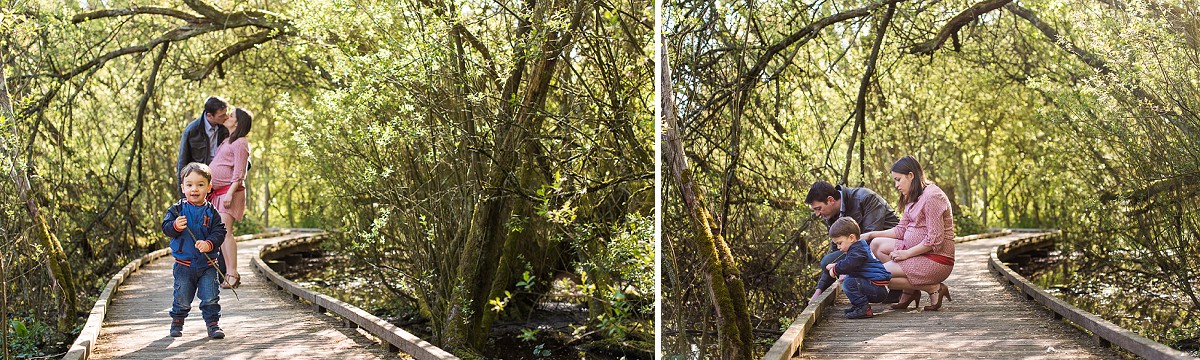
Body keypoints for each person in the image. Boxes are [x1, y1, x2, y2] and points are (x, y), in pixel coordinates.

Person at [862, 155, 955, 311]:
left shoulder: (933, 197)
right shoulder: (913, 196)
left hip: (936, 259)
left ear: (911, 175)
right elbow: (901, 230)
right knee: (877, 243)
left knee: (878, 276)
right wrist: (871, 235)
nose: (896, 185)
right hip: (917, 253)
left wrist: (907, 254)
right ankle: (910, 291)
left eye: (898, 180)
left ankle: (933, 288)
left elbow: (935, 240)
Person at [162, 163, 227, 339]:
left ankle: (213, 325)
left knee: (210, 296)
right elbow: (165, 227)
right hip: (184, 265)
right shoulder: (177, 209)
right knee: (182, 297)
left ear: (209, 187)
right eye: (189, 184)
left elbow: (220, 232)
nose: (194, 189)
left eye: (200, 184)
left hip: (208, 264)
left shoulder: (212, 212)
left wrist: (209, 243)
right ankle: (177, 321)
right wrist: (175, 226)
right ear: (183, 188)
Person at [806, 181, 900, 302]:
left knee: (834, 261)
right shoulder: (832, 216)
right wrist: (819, 290)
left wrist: (846, 268)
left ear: (830, 200)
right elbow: (835, 253)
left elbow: (869, 241)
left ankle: (897, 287)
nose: (817, 214)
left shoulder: (865, 198)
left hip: (891, 246)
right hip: (866, 253)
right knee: (827, 261)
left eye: (818, 209)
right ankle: (872, 289)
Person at [209, 107, 252, 289]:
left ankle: (232, 273)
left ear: (237, 122)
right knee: (222, 234)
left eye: (231, 115)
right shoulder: (227, 140)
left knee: (227, 233)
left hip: (230, 192)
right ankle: (230, 273)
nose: (228, 117)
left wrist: (229, 192)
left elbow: (240, 172)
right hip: (219, 193)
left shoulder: (241, 142)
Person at [825, 217, 891, 319]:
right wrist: (835, 265)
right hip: (875, 287)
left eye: (839, 243)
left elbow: (849, 264)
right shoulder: (857, 248)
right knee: (849, 280)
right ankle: (859, 306)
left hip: (877, 289)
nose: (838, 247)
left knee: (849, 283)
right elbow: (850, 263)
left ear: (851, 238)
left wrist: (835, 269)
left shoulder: (857, 250)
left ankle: (863, 308)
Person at [176, 96, 230, 195]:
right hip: (201, 184)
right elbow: (182, 163)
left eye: (226, 113)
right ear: (209, 116)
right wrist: (183, 198)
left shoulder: (227, 127)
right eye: (221, 115)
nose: (226, 117)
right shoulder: (192, 131)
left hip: (224, 184)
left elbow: (240, 147)